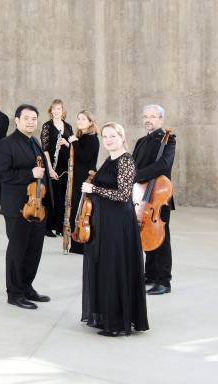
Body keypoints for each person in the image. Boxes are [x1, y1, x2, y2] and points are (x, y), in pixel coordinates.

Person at [80, 122, 150, 337]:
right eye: (105, 136)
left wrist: (94, 189)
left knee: (114, 266)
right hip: (103, 220)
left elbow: (122, 194)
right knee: (103, 264)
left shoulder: (126, 161)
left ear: (122, 137)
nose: (108, 140)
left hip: (118, 222)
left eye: (112, 136)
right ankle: (105, 314)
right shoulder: (108, 160)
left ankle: (118, 321)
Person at [0, 104, 51, 310]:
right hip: (17, 208)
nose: (31, 121)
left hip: (37, 206)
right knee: (18, 251)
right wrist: (30, 174)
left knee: (34, 249)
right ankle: (14, 293)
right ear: (16, 120)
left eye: (34, 118)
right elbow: (0, 174)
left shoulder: (34, 141)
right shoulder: (6, 144)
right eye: (26, 118)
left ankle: (27, 287)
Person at [133, 104, 176, 295]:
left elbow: (162, 165)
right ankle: (149, 275)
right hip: (141, 194)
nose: (148, 120)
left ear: (160, 119)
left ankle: (164, 281)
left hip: (159, 195)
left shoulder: (169, 140)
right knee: (145, 234)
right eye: (145, 116)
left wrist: (136, 176)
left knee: (161, 237)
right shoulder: (141, 141)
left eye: (152, 116)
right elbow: (133, 163)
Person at [67, 111, 100, 254]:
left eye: (83, 119)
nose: (79, 121)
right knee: (75, 208)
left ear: (90, 122)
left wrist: (73, 141)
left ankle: (82, 243)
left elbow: (85, 157)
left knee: (82, 210)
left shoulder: (91, 138)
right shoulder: (82, 137)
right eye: (78, 118)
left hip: (85, 178)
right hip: (77, 177)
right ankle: (76, 242)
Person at [40, 99, 73, 237]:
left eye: (58, 109)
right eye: (54, 109)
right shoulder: (47, 126)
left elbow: (73, 147)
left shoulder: (68, 126)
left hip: (65, 166)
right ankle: (47, 226)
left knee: (61, 197)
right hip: (52, 165)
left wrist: (67, 143)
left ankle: (59, 226)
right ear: (51, 111)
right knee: (49, 196)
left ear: (62, 111)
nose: (56, 111)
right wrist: (49, 169)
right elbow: (45, 149)